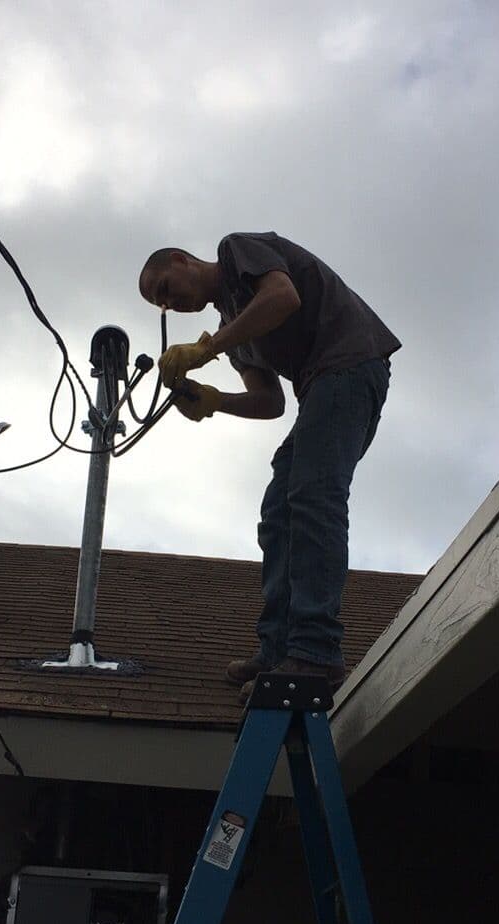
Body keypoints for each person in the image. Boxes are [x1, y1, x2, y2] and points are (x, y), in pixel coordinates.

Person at [138, 232, 401, 702]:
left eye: (164, 287)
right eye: (161, 305)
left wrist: (206, 350)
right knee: (279, 510)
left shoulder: (235, 251)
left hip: (350, 365)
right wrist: (216, 401)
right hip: (320, 388)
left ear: (180, 259)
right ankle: (280, 650)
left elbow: (282, 296)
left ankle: (316, 653)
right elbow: (269, 402)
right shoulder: (235, 331)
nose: (169, 304)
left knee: (314, 497)